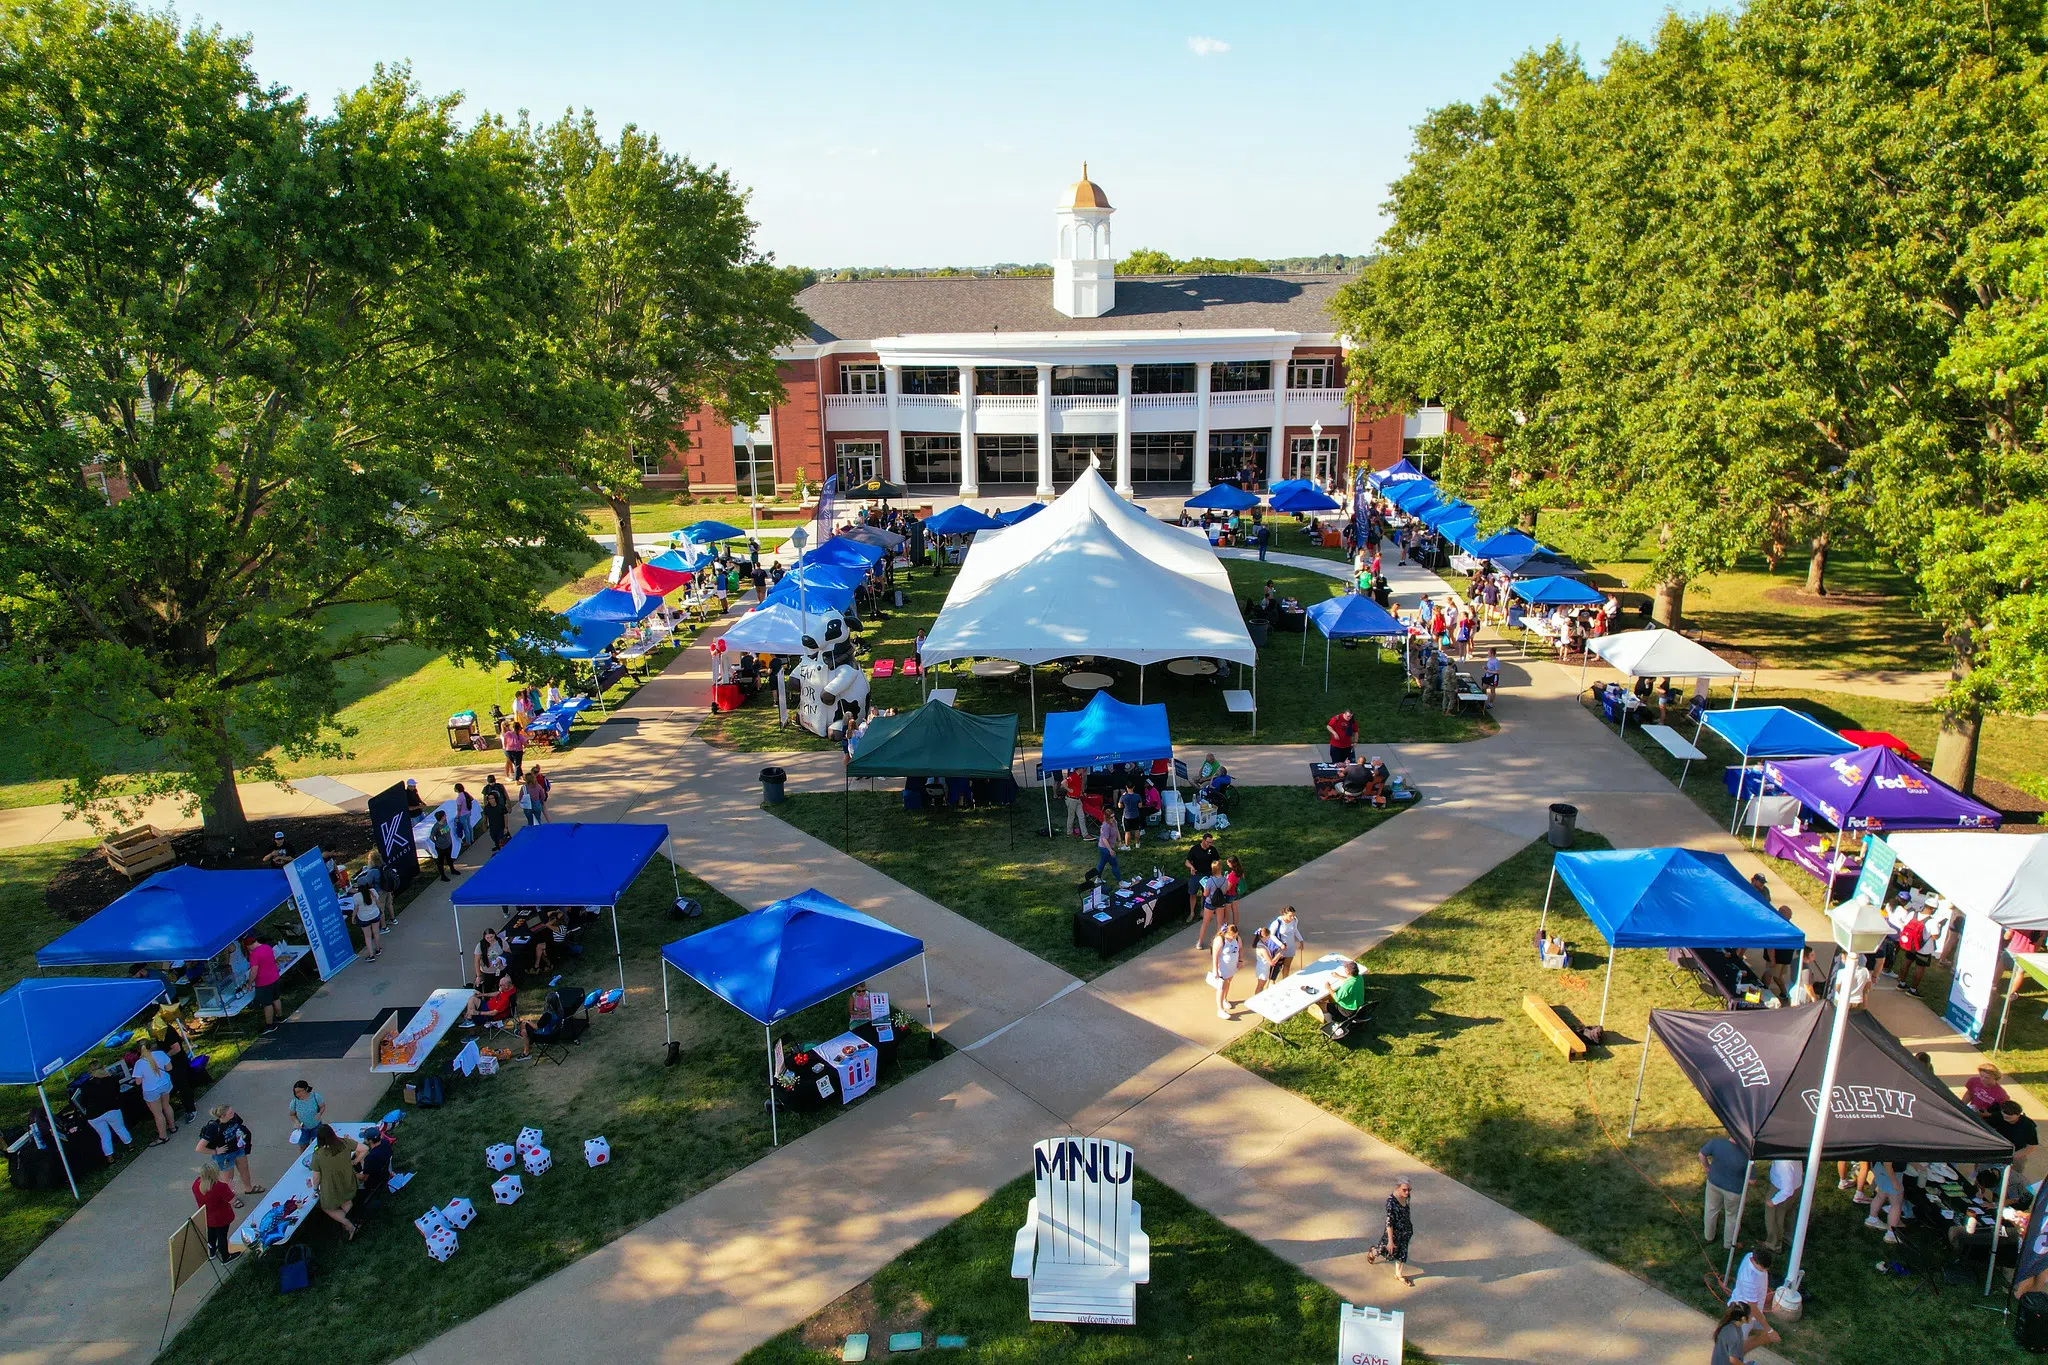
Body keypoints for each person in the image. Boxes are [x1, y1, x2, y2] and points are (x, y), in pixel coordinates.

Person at [194, 1104, 259, 1203]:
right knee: (228, 1179)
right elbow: (199, 1148)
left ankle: (248, 1188)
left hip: (238, 1149)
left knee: (244, 1169)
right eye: (230, 1113)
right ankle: (231, 1199)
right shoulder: (213, 1128)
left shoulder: (234, 1118)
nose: (233, 1113)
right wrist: (215, 1151)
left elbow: (240, 1126)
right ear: (222, 1116)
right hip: (225, 1156)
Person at [309, 1125, 359, 1240]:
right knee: (346, 1201)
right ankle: (355, 1220)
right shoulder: (345, 1143)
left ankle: (349, 1225)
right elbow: (364, 1149)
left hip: (333, 1188)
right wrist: (355, 1161)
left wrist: (316, 1189)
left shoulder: (318, 1156)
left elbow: (316, 1178)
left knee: (327, 1207)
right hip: (348, 1182)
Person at [1700, 1134, 1748, 1251]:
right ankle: (1729, 1244)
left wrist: (1707, 1167)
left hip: (1714, 1184)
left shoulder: (1716, 1142)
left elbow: (1701, 1154)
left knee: (1711, 1209)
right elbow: (1752, 1180)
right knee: (1732, 1216)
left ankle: (1709, 1236)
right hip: (1734, 1191)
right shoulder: (1746, 1154)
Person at [1368, 1179, 1417, 1285]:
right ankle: (1373, 1252)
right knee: (1384, 1249)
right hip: (1393, 1233)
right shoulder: (1391, 1203)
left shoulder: (1407, 1197)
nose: (1407, 1192)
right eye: (1404, 1190)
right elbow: (1389, 1223)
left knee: (1402, 1252)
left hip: (1405, 1231)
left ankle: (1399, 1274)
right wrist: (1390, 1241)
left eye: (1409, 1190)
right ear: (1397, 1188)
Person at [131, 1042, 177, 1145]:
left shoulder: (139, 1063)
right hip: (165, 1083)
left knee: (158, 1114)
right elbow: (169, 1068)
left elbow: (138, 1082)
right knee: (166, 1106)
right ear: (151, 1046)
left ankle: (163, 1137)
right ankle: (172, 1127)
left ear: (138, 1050)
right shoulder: (160, 1054)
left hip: (151, 1089)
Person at [192, 1166, 239, 1263]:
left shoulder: (196, 1185)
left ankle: (212, 1251)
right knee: (222, 1236)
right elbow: (232, 1200)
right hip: (222, 1217)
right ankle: (225, 1257)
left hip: (207, 1216)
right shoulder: (220, 1187)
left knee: (211, 1234)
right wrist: (231, 1189)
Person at [1710, 1300, 1779, 1365]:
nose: (1752, 1317)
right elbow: (1732, 1359)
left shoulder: (1732, 1326)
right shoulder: (1733, 1333)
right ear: (1743, 1318)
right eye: (1750, 1315)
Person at [1763, 1158, 1801, 1250]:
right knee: (1790, 1215)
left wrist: (1773, 1201)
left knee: (1774, 1219)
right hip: (1796, 1186)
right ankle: (1790, 1239)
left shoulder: (1783, 1163)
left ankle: (1773, 1245)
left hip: (1780, 1190)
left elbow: (1787, 1190)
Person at [1991, 1099, 2041, 1169]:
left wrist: (2011, 1157)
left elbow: (2030, 1147)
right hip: (1998, 1147)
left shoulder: (2028, 1126)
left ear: (2018, 1114)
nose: (2006, 1115)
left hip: (2017, 1151)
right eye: (2004, 1112)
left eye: (2010, 1114)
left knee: (2014, 1171)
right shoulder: (1999, 1116)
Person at [1864, 1160, 1905, 1244]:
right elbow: (1887, 1163)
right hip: (1891, 1172)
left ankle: (1872, 1218)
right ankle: (1891, 1234)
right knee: (1896, 1204)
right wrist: (1894, 1182)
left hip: (1879, 1168)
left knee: (1880, 1195)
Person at [1895, 907, 1932, 995]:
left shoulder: (1913, 914)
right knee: (1920, 968)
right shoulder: (1932, 921)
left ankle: (1901, 983)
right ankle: (1913, 990)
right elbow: (1935, 936)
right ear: (1933, 910)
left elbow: (1905, 925)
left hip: (1911, 945)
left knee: (1906, 962)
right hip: (1923, 949)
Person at [1210, 923, 1242, 1019]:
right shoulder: (1220, 940)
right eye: (1232, 936)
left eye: (1235, 935)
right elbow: (1215, 956)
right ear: (1226, 933)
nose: (1234, 938)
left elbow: (1240, 948)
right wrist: (1216, 969)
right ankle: (1220, 1010)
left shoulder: (1237, 938)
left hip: (1231, 967)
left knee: (1228, 983)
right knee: (1221, 988)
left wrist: (1240, 960)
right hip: (1222, 968)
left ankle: (1225, 999)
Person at [1266, 906, 1303, 982]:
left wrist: (1301, 940)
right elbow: (1271, 935)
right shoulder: (1277, 922)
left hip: (1290, 947)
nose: (1292, 917)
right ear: (1284, 914)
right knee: (1276, 967)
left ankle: (1285, 981)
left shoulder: (1295, 920)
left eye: (1293, 915)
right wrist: (1281, 944)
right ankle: (1272, 982)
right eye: (1290, 916)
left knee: (1287, 966)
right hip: (1280, 949)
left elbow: (1295, 930)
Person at [286, 1080, 326, 1151]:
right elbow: (292, 1115)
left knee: (317, 1147)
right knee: (303, 1148)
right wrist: (296, 1122)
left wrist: (320, 1113)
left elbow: (322, 1106)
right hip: (302, 1129)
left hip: (316, 1126)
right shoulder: (294, 1102)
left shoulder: (315, 1097)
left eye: (300, 1091)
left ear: (306, 1089)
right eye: (296, 1092)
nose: (298, 1094)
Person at [480, 775, 510, 851]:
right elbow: (484, 799)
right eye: (490, 782)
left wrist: (509, 805)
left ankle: (503, 847)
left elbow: (506, 795)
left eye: (493, 782)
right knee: (493, 835)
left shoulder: (500, 786)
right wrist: (484, 824)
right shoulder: (486, 789)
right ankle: (497, 845)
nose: (492, 784)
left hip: (500, 811)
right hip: (492, 822)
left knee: (502, 835)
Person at [428, 810, 459, 879]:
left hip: (448, 844)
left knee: (449, 858)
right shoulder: (436, 827)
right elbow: (431, 837)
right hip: (441, 847)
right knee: (441, 861)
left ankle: (452, 869)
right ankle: (442, 875)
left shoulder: (445, 821)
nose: (446, 816)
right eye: (445, 815)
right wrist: (436, 843)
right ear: (442, 817)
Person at [1118, 781, 1145, 851]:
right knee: (1137, 830)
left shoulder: (1124, 797)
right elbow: (1140, 806)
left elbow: (1120, 806)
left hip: (1127, 816)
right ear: (1133, 787)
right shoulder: (1137, 796)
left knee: (1127, 832)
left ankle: (1127, 846)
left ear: (1126, 787)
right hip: (1136, 815)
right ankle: (1138, 844)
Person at [1062, 767, 1086, 838]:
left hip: (1077, 799)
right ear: (1079, 769)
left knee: (1082, 816)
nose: (1084, 769)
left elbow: (1078, 785)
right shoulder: (1072, 776)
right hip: (1071, 799)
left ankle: (1085, 833)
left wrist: (1081, 792)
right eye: (1083, 768)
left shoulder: (1080, 776)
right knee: (1071, 816)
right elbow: (1063, 783)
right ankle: (1069, 832)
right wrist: (1069, 790)